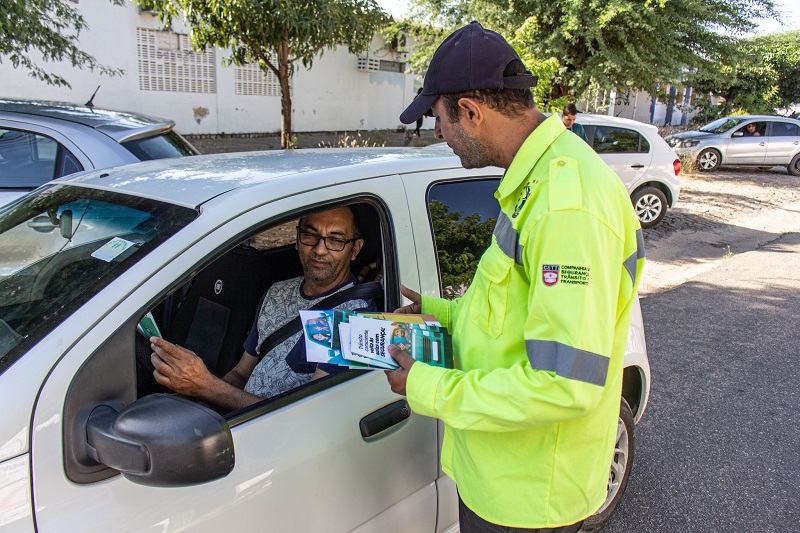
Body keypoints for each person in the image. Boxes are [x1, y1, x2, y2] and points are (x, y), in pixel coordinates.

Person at [392, 22, 644, 532]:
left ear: (470, 112)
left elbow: (564, 385)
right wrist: (438, 311)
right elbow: (508, 312)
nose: (438, 134)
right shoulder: (536, 182)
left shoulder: (565, 203)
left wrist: (426, 386)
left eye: (438, 119)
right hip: (501, 479)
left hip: (530, 500)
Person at [149, 206, 373, 412]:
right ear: (297, 239)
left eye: (335, 240)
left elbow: (306, 416)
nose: (320, 249)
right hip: (240, 422)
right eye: (310, 235)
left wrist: (207, 386)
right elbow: (240, 373)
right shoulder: (277, 291)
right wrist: (201, 402)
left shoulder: (355, 320)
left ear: (355, 250)